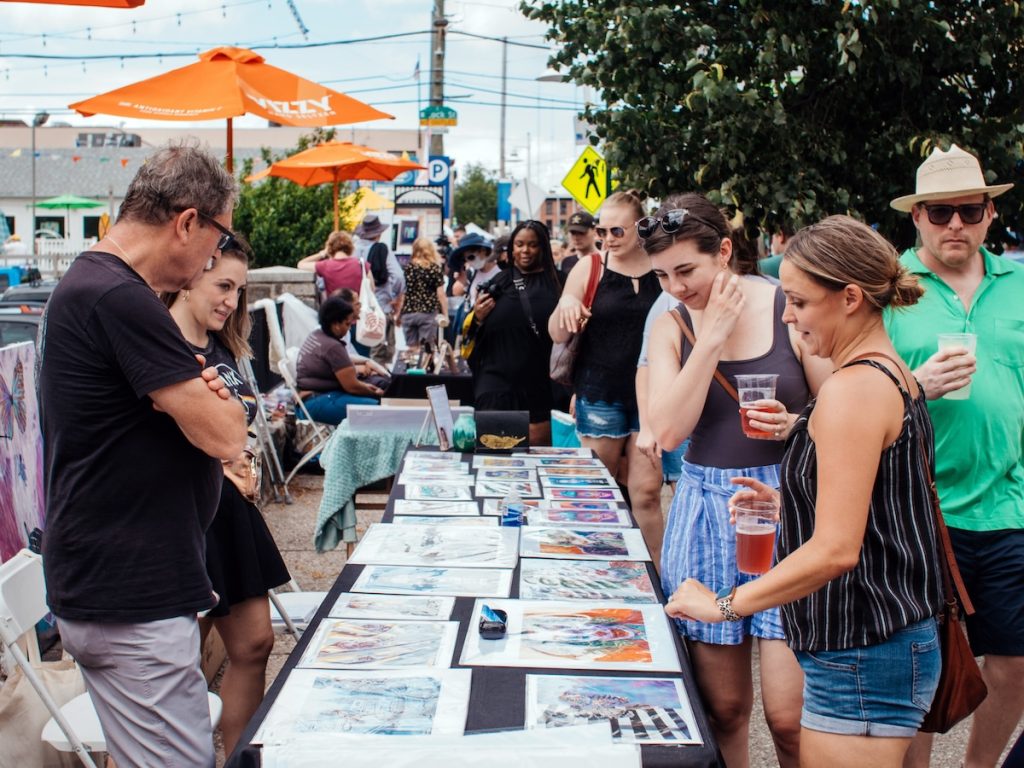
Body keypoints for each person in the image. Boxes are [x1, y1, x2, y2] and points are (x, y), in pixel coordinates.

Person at [666, 215, 945, 768]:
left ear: (849, 297)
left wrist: (723, 606)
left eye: (798, 301)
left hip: (862, 646)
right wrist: (789, 502)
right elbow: (882, 503)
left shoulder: (853, 389)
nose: (788, 315)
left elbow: (836, 551)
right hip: (874, 640)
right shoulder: (885, 374)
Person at [39, 142, 248, 767]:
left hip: (116, 583)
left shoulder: (97, 286)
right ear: (187, 221)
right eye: (217, 238)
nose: (215, 255)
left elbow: (221, 419)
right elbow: (225, 435)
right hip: (130, 593)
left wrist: (204, 399)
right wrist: (206, 399)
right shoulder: (120, 298)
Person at [645, 193, 830, 768]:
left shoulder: (787, 307)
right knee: (723, 709)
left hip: (784, 503)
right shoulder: (672, 325)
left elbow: (840, 404)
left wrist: (797, 424)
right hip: (704, 508)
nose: (675, 287)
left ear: (723, 251)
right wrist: (713, 337)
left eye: (686, 270)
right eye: (661, 275)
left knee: (788, 716)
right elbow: (668, 433)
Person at [885, 144, 1024, 768]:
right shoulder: (890, 288)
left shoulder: (1019, 284)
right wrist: (918, 384)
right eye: (940, 213)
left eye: (969, 210)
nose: (955, 226)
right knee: (920, 657)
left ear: (990, 213)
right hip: (917, 504)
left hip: (1007, 502)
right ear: (917, 218)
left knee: (1015, 657)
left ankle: (978, 765)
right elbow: (851, 387)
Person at [162, 237, 290, 756]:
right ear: (190, 274)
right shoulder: (159, 345)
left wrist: (246, 459)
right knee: (172, 663)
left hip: (229, 512)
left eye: (239, 290)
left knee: (256, 643)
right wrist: (222, 461)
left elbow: (241, 428)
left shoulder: (218, 346)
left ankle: (236, 758)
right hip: (182, 517)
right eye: (223, 286)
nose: (231, 302)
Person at [549, 189, 664, 566]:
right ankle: (597, 567)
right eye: (602, 231)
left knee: (646, 493)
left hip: (652, 398)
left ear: (641, 227)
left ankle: (660, 575)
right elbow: (557, 334)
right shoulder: (591, 266)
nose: (607, 239)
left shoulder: (663, 267)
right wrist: (567, 304)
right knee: (598, 491)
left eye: (617, 231)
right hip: (601, 393)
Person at [467, 220, 564, 445]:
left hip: (540, 385)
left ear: (544, 247)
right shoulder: (500, 281)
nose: (525, 251)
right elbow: (471, 332)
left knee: (535, 458)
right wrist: (478, 317)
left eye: (533, 245)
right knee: (494, 454)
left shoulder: (560, 283)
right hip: (496, 384)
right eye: (519, 244)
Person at [295, 296, 388, 425]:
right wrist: (376, 393)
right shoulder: (333, 346)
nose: (349, 329)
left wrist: (369, 386)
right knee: (380, 410)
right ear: (335, 324)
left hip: (307, 400)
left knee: (378, 389)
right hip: (315, 403)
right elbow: (352, 387)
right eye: (347, 324)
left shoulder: (317, 334)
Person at [355, 214, 404, 366]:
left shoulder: (353, 250)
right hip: (381, 306)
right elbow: (398, 276)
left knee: (357, 355)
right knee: (380, 355)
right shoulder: (383, 250)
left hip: (356, 308)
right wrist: (395, 296)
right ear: (378, 233)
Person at [401, 236, 449, 353]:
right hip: (428, 312)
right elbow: (440, 294)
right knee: (427, 350)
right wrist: (446, 315)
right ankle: (425, 370)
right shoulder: (434, 269)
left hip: (409, 312)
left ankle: (412, 370)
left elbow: (403, 293)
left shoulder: (408, 268)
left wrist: (399, 313)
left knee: (412, 349)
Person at [296, 230, 365, 299]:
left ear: (330, 247)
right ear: (350, 246)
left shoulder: (325, 265)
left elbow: (301, 264)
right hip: (357, 307)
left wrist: (322, 254)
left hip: (334, 307)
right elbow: (372, 288)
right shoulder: (361, 264)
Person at [563, 210, 599, 276]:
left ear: (594, 231)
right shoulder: (566, 262)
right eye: (573, 232)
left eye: (581, 233)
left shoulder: (606, 260)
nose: (576, 237)